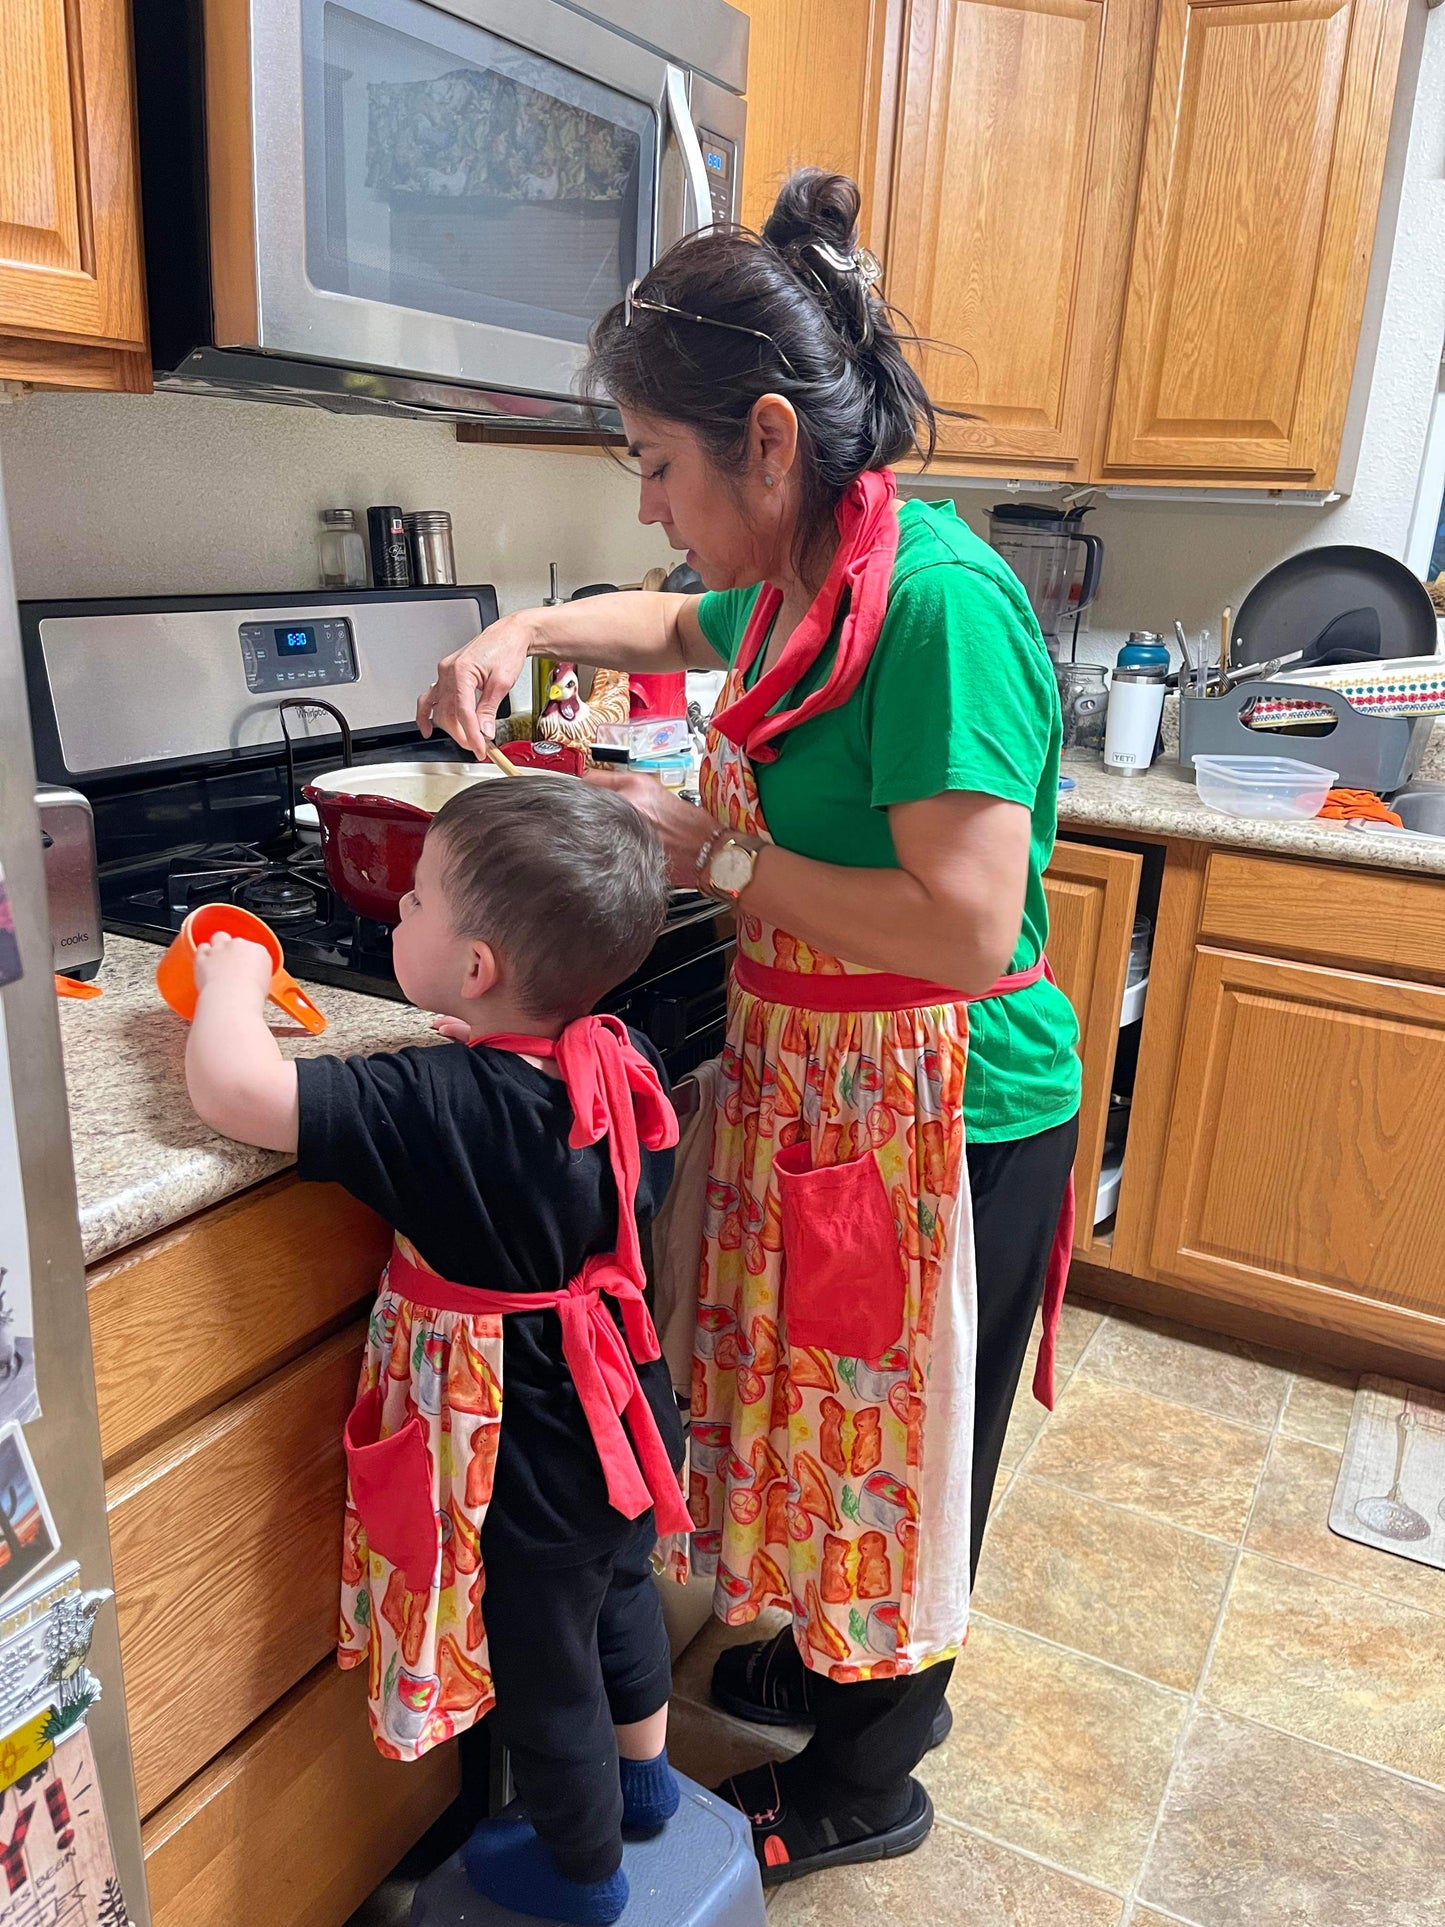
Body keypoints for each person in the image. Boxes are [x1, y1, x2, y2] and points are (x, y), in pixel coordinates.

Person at [419, 168, 1082, 1887]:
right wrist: (522, 628)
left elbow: (971, 919)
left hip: (947, 1099)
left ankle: (875, 1770)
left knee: (902, 1434)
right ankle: (830, 1651)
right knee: (822, 1398)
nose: (652, 501)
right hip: (822, 1078)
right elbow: (668, 619)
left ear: (767, 442)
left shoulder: (935, 608)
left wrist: (723, 854)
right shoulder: (803, 579)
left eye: (656, 463)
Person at [182, 778, 688, 1927]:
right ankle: (647, 1779)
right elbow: (527, 1129)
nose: (394, 914)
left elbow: (231, 1085)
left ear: (474, 970)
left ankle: (583, 1870)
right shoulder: (614, 1054)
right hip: (621, 1406)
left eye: (412, 901)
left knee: (542, 1660)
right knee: (617, 1595)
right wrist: (485, 1054)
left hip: (529, 1447)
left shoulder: (436, 1096)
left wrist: (230, 983)